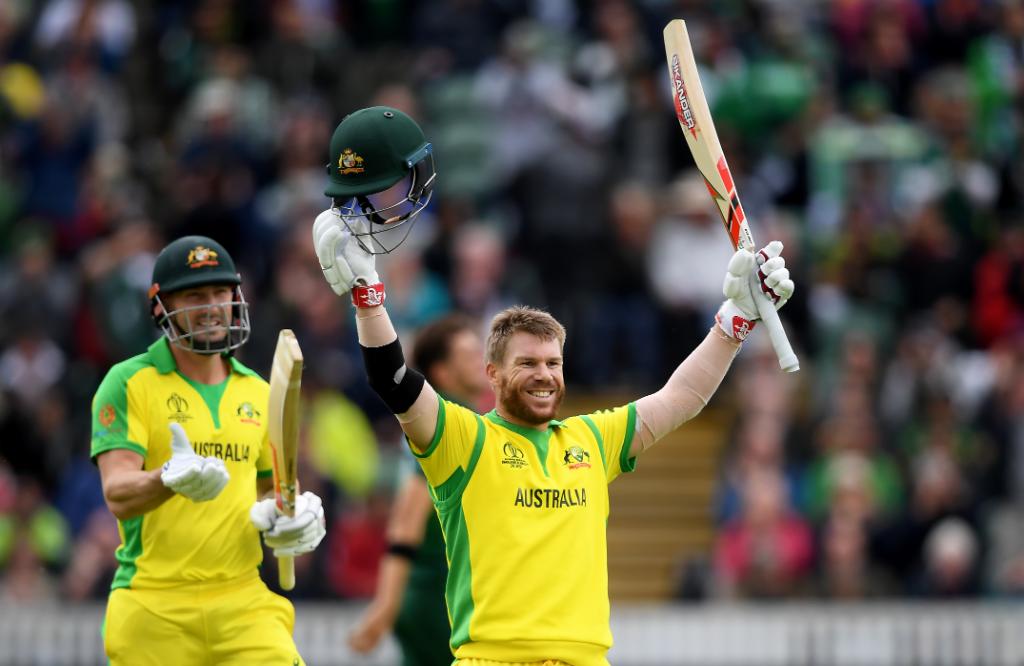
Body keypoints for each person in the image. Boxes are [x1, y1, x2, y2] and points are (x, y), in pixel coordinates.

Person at [313, 106, 795, 666]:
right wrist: (368, 291)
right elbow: (391, 379)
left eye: (553, 363)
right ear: (491, 375)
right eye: (528, 363)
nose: (544, 375)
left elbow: (681, 399)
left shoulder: (590, 442)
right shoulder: (462, 443)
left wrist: (734, 320)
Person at [90, 235, 327, 665]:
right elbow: (117, 492)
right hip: (153, 603)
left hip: (242, 599)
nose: (213, 305)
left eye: (221, 291)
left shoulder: (259, 390)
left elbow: (272, 489)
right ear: (161, 306)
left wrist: (290, 516)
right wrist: (168, 479)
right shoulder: (127, 383)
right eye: (196, 295)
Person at [349, 313, 489, 665]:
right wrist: (386, 605)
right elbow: (406, 521)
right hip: (436, 597)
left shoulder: (445, 419)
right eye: (470, 356)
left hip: (433, 595)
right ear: (441, 372)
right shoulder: (447, 423)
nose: (482, 363)